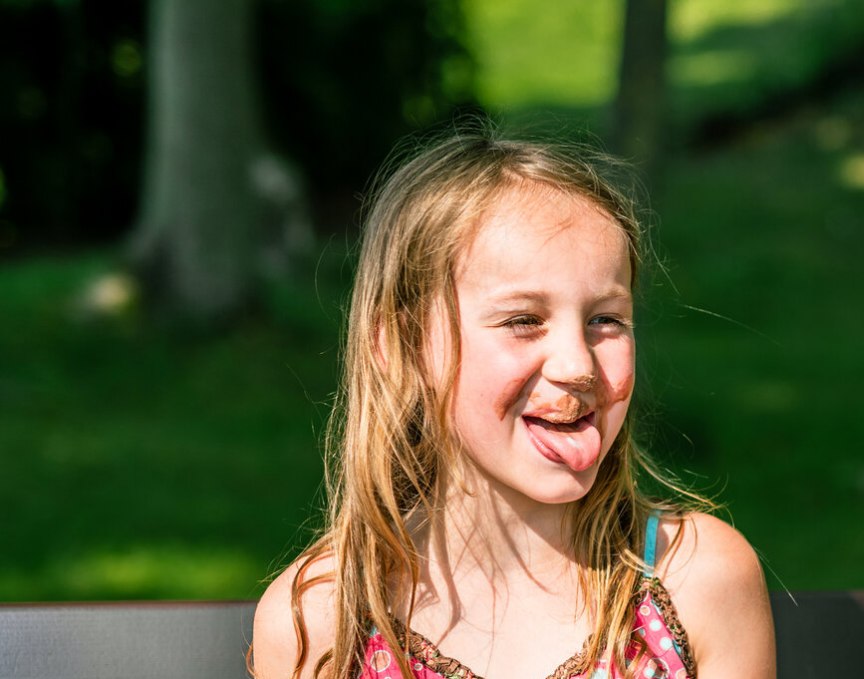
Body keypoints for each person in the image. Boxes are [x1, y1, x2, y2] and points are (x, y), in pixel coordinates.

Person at [252, 132, 775, 679]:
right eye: (523, 321)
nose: (577, 365)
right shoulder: (322, 620)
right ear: (402, 347)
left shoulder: (696, 579)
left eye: (606, 320)